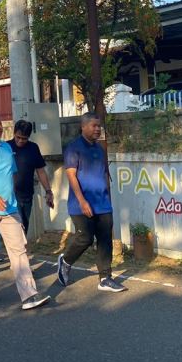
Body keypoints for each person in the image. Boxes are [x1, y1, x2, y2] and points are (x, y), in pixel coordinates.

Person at [0, 111, 50, 311]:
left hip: (10, 209)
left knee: (19, 250)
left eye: (0, 123)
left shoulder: (6, 148)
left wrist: (9, 196)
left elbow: (12, 175)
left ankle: (29, 294)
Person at [56, 113, 126, 293]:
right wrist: (82, 200)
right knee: (85, 238)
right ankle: (66, 261)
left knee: (104, 240)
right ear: (83, 126)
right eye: (94, 126)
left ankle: (105, 277)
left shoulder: (99, 149)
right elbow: (71, 175)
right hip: (81, 204)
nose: (97, 129)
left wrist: (107, 197)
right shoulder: (74, 148)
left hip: (102, 203)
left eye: (99, 126)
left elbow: (103, 174)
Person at [9, 120, 55, 235]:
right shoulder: (6, 147)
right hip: (11, 195)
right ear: (14, 133)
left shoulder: (33, 148)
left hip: (27, 194)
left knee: (24, 226)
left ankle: (20, 250)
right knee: (16, 227)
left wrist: (48, 191)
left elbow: (41, 171)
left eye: (24, 138)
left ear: (28, 137)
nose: (20, 141)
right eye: (18, 137)